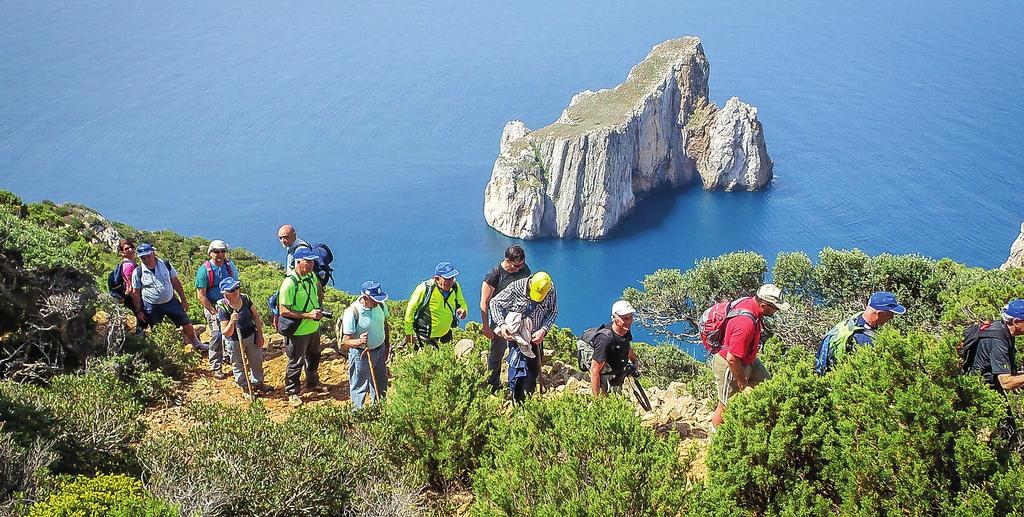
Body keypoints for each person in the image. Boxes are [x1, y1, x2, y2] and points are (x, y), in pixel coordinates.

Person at [710, 283, 790, 428]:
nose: (777, 311)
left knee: (768, 385)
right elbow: (732, 358)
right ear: (764, 305)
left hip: (748, 358)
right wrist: (743, 384)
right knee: (726, 404)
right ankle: (717, 437)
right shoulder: (745, 324)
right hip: (730, 363)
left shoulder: (751, 303)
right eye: (775, 308)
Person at [489, 271, 558, 403]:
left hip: (536, 337)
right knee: (518, 369)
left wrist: (544, 330)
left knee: (533, 369)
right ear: (531, 283)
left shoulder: (550, 288)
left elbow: (552, 311)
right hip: (518, 337)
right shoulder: (516, 288)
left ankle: (529, 399)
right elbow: (494, 303)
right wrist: (502, 325)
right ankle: (516, 399)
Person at [130, 243, 203, 349]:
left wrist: (183, 299)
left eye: (148, 255)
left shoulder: (165, 264)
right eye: (142, 257)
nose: (145, 259)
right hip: (152, 305)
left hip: (170, 301)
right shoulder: (138, 271)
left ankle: (196, 343)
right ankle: (159, 351)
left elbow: (175, 282)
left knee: (185, 322)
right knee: (155, 327)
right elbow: (135, 292)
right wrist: (139, 311)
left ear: (153, 253)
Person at [815, 291, 906, 374]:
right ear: (879, 314)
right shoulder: (863, 340)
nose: (892, 318)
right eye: (890, 314)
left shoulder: (857, 318)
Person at [278, 247, 325, 406]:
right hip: (298, 331)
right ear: (298, 262)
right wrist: (307, 315)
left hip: (313, 328)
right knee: (296, 361)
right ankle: (292, 391)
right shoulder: (289, 283)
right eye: (308, 261)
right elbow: (283, 310)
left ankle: (312, 383)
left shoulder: (311, 276)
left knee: (314, 356)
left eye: (312, 261)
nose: (312, 264)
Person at [480, 245, 531, 392]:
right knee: (498, 352)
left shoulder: (524, 269)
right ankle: (493, 384)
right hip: (499, 320)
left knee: (520, 351)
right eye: (516, 266)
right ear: (507, 261)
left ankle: (518, 384)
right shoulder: (495, 274)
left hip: (518, 318)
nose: (519, 268)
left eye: (521, 265)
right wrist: (486, 326)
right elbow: (485, 301)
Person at [216, 277, 271, 399]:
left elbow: (256, 316)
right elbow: (226, 332)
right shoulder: (223, 307)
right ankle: (245, 387)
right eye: (231, 290)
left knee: (256, 361)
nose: (235, 291)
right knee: (238, 364)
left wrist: (259, 333)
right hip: (234, 341)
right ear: (224, 293)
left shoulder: (245, 299)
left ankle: (258, 383)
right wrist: (231, 321)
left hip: (251, 335)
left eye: (236, 288)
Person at [340, 281, 391, 410]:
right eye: (375, 299)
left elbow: (385, 325)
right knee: (359, 385)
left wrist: (387, 345)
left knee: (381, 383)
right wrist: (359, 341)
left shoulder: (381, 306)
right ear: (365, 298)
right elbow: (345, 341)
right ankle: (358, 413)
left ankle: (379, 410)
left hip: (380, 351)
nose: (378, 302)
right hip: (361, 354)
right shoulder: (352, 313)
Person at [195, 239, 239, 379]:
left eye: (222, 251)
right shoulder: (204, 270)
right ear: (210, 253)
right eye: (216, 252)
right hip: (213, 305)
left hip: (228, 304)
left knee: (232, 332)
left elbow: (235, 286)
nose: (220, 254)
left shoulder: (229, 266)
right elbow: (201, 296)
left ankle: (230, 357)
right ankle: (216, 366)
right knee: (216, 335)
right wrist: (213, 312)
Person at [965, 299, 1024, 394]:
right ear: (1016, 322)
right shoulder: (998, 340)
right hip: (980, 393)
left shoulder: (1002, 329)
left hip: (986, 388)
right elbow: (1006, 382)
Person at [404, 262, 467, 348]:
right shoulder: (425, 289)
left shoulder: (455, 287)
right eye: (447, 279)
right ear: (437, 278)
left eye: (452, 277)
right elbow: (410, 309)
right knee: (430, 361)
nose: (450, 281)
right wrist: (408, 332)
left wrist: (463, 310)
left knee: (446, 360)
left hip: (445, 335)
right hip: (425, 336)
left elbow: (461, 302)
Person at [590, 300, 639, 396]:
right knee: (603, 377)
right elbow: (594, 370)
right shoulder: (604, 339)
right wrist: (597, 400)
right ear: (613, 318)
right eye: (625, 318)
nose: (629, 321)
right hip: (599, 359)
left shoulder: (625, 329)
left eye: (631, 317)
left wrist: (634, 360)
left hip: (609, 355)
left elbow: (626, 345)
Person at [115, 239, 145, 334]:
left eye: (131, 247)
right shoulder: (128, 265)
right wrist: (138, 305)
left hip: (131, 296)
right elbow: (130, 285)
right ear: (122, 252)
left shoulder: (128, 263)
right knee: (141, 318)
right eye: (127, 249)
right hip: (132, 296)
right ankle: (139, 341)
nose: (130, 250)